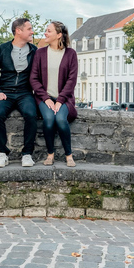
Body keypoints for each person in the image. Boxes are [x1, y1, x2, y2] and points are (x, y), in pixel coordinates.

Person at [0, 18, 38, 167]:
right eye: (29, 29)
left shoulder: (35, 51)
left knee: (31, 115)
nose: (32, 32)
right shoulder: (3, 49)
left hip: (25, 93)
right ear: (18, 31)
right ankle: (2, 153)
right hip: (6, 92)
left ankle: (27, 154)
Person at [30, 21, 79, 167]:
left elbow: (72, 80)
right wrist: (45, 98)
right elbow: (33, 78)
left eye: (49, 31)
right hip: (44, 99)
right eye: (46, 30)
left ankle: (68, 155)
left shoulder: (70, 54)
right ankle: (50, 154)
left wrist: (60, 100)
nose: (45, 33)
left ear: (58, 35)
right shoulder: (40, 53)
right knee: (49, 119)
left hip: (64, 99)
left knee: (61, 120)